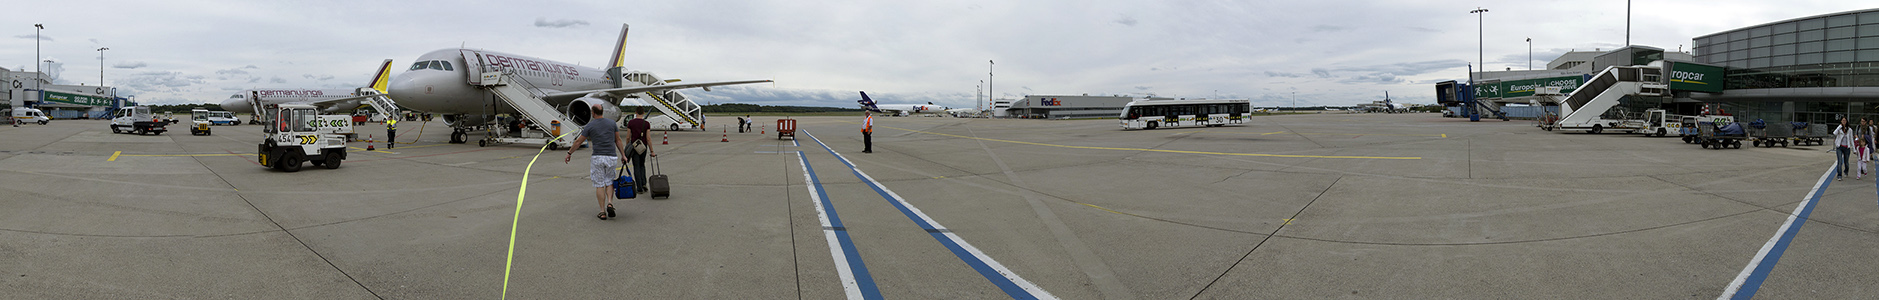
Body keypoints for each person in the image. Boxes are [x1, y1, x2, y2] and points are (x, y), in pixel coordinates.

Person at [565, 104, 626, 220]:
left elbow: (578, 141)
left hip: (597, 157)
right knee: (609, 182)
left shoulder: (590, 126)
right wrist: (623, 155)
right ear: (602, 111)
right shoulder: (612, 124)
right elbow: (618, 140)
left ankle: (602, 211)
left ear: (593, 112)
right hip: (611, 157)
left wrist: (569, 153)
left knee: (599, 184)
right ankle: (609, 202)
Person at [625, 107, 655, 193]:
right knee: (642, 165)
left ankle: (639, 188)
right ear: (643, 113)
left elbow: (628, 137)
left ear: (636, 112)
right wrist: (652, 150)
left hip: (634, 147)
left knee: (636, 166)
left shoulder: (631, 122)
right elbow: (648, 138)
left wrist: (627, 147)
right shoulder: (646, 124)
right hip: (643, 147)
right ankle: (644, 183)